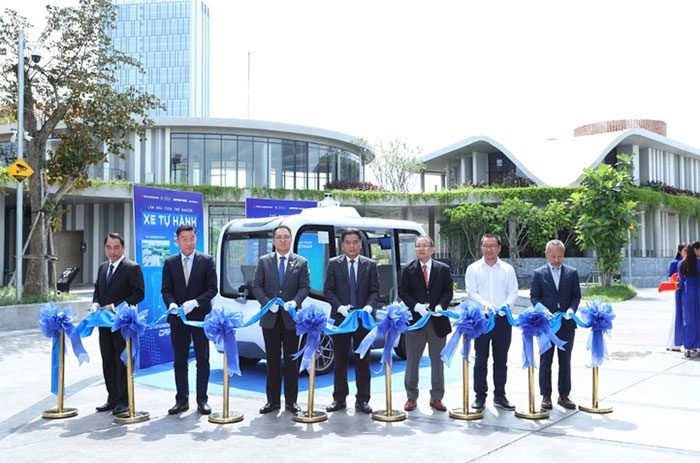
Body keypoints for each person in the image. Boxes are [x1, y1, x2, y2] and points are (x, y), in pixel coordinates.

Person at [253, 225, 310, 415]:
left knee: (292, 363)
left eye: (286, 237)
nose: (283, 240)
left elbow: (304, 287)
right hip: (270, 319)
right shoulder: (264, 261)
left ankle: (292, 402)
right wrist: (268, 303)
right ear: (274, 240)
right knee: (272, 361)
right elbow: (257, 287)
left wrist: (295, 302)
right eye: (279, 237)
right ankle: (272, 402)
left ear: (291, 239)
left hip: (292, 320)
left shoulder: (301, 262)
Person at [161, 225, 218, 415]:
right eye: (184, 238)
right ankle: (181, 400)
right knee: (180, 360)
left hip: (200, 318)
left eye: (191, 238)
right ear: (177, 240)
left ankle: (202, 400)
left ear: (196, 238)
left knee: (203, 359)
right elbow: (166, 290)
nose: (188, 242)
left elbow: (212, 289)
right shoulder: (170, 262)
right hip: (178, 319)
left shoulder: (207, 260)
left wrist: (196, 302)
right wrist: (171, 304)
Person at [323, 228, 379, 414]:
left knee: (363, 360)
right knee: (340, 361)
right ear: (342, 244)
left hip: (363, 320)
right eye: (348, 242)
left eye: (355, 242)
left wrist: (369, 308)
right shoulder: (333, 264)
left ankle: (363, 400)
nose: (352, 246)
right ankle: (339, 399)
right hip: (342, 320)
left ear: (361, 244)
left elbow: (374, 291)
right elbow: (328, 290)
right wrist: (339, 307)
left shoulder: (370, 264)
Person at [398, 235, 453, 412]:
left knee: (437, 360)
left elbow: (448, 291)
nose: (421, 249)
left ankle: (436, 397)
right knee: (412, 359)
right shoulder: (408, 269)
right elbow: (403, 292)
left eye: (424, 246)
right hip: (415, 322)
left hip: (438, 322)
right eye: (418, 246)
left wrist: (440, 306)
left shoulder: (443, 269)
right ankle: (411, 397)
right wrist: (415, 306)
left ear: (432, 248)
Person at [92, 233, 145, 416]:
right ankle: (112, 398)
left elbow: (138, 295)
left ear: (123, 248)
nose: (112, 251)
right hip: (104, 323)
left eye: (116, 247)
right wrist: (95, 304)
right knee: (107, 359)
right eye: (108, 247)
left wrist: (115, 306)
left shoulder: (132, 268)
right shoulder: (102, 267)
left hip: (123, 325)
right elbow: (98, 290)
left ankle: (124, 400)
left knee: (121, 360)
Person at [465, 233, 519, 411]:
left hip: (503, 320)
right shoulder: (473, 269)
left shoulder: (507, 269)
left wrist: (505, 305)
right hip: (482, 320)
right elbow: (471, 292)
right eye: (485, 246)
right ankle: (480, 396)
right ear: (481, 248)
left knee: (501, 360)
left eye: (492, 246)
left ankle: (500, 395)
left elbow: (513, 292)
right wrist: (485, 304)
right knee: (480, 359)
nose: (489, 249)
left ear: (499, 248)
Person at [530, 239, 581, 411]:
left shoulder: (572, 273)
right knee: (546, 360)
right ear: (546, 255)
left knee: (565, 360)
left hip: (566, 324)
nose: (556, 259)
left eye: (560, 256)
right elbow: (534, 297)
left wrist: (572, 310)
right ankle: (545, 395)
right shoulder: (539, 273)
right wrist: (543, 311)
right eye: (553, 256)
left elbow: (576, 296)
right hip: (546, 325)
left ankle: (564, 395)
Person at [679, 242, 700, 358]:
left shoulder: (682, 264)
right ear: (696, 250)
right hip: (698, 292)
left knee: (688, 320)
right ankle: (698, 345)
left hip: (687, 294)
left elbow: (681, 283)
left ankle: (687, 347)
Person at [666, 244, 686, 352]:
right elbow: (670, 278)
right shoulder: (675, 263)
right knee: (677, 316)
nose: (686, 252)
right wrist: (677, 279)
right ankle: (673, 343)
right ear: (679, 251)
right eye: (684, 250)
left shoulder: (688, 262)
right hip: (678, 292)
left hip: (686, 292)